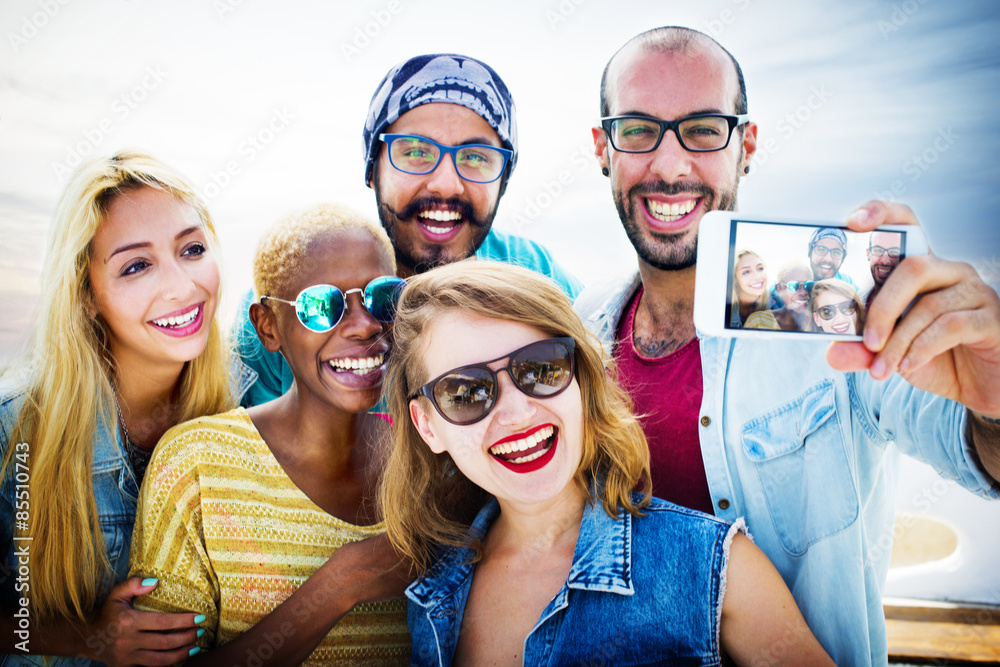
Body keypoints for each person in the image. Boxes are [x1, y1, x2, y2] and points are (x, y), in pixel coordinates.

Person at [576, 26, 1000, 666]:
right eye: (637, 130)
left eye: (702, 128)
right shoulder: (583, 327)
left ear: (745, 145)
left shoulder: (838, 321)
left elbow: (978, 454)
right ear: (603, 148)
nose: (668, 165)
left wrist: (994, 395)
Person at [380, 261, 834, 666]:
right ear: (426, 426)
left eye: (541, 368)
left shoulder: (716, 567)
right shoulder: (430, 586)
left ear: (581, 377)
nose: (518, 413)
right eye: (465, 393)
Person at [0, 151, 254, 666]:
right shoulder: (16, 428)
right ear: (87, 292)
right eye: (136, 265)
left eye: (192, 249)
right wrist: (83, 637)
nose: (183, 287)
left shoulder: (244, 406)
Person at [129, 204, 412, 664]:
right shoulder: (197, 464)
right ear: (268, 326)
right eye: (323, 307)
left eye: (382, 298)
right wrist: (343, 583)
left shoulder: (427, 463)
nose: (364, 326)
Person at [234, 53, 583, 407]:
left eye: (476, 156)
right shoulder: (298, 308)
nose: (447, 185)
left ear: (503, 181)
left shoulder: (540, 281)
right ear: (373, 171)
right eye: (415, 152)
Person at [745, 262, 812, 331]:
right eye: (794, 286)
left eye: (809, 285)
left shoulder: (816, 323)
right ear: (779, 289)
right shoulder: (758, 321)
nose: (804, 292)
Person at [728, 249, 768, 328]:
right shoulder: (724, 311)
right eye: (746, 272)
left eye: (760, 268)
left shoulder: (776, 302)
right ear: (735, 279)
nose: (758, 277)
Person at [865, 230, 904, 309]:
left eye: (894, 251)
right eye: (878, 250)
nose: (885, 261)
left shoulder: (916, 304)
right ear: (868, 253)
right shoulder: (856, 302)